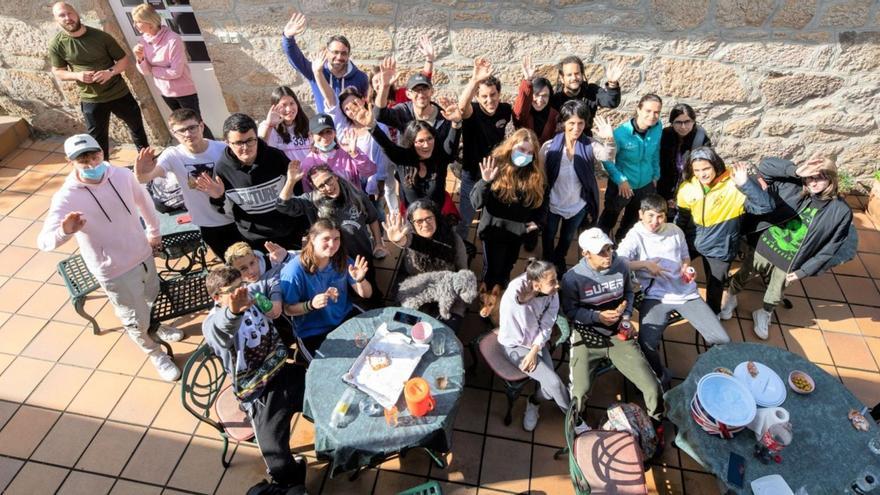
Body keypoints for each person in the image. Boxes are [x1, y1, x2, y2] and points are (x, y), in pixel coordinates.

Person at [37, 134, 182, 381]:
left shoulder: (122, 176)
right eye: (83, 160)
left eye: (95, 156)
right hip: (114, 270)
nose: (92, 164)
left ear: (102, 153)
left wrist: (153, 232)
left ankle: (156, 326)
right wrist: (65, 231)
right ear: (70, 161)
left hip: (143, 254)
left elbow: (144, 202)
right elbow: (44, 242)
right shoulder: (66, 196)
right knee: (134, 318)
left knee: (152, 297)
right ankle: (155, 354)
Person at [723, 156, 854, 339]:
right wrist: (797, 172)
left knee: (775, 293)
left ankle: (764, 313)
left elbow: (831, 248)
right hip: (764, 245)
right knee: (743, 274)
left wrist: (804, 271)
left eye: (820, 178)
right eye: (811, 177)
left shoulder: (841, 212)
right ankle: (731, 297)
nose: (813, 182)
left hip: (789, 260)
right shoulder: (794, 186)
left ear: (831, 179)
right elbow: (766, 166)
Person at [202, 265, 306, 492]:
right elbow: (220, 333)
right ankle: (294, 481)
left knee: (325, 398)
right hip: (258, 392)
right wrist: (234, 311)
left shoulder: (252, 294)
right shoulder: (213, 321)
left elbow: (272, 280)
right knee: (276, 458)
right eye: (233, 290)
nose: (241, 293)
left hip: (283, 370)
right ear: (217, 298)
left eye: (242, 286)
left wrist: (275, 294)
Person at [617, 194, 730, 388]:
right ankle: (660, 374)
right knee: (647, 343)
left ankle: (705, 374)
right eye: (650, 216)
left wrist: (686, 268)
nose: (655, 221)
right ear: (640, 214)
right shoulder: (635, 236)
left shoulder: (675, 231)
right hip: (655, 296)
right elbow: (618, 263)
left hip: (686, 293)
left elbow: (685, 256)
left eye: (660, 216)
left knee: (723, 340)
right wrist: (645, 265)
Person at [561, 228, 664, 423]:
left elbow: (629, 294)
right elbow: (570, 312)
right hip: (586, 335)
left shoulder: (621, 266)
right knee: (579, 393)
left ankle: (656, 425)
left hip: (618, 335)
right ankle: (578, 423)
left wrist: (625, 318)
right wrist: (596, 317)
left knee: (652, 387)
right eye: (601, 252)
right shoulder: (572, 279)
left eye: (609, 249)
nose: (608, 256)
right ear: (586, 254)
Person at [675, 147, 773, 315]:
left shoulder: (733, 185)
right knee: (673, 269)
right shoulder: (687, 187)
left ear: (716, 165)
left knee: (714, 286)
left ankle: (713, 316)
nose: (702, 174)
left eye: (706, 168)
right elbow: (682, 217)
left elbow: (766, 206)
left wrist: (746, 184)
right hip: (694, 240)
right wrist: (675, 240)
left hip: (720, 247)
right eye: (697, 170)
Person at [134, 108, 242, 258]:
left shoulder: (222, 149)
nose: (188, 134)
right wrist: (141, 172)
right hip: (207, 223)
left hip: (235, 218)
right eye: (181, 130)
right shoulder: (173, 154)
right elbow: (146, 177)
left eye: (192, 127)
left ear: (202, 126)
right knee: (230, 264)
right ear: (173, 133)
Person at [49, 2, 149, 158]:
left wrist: (110, 72)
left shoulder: (101, 37)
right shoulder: (57, 44)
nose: (68, 18)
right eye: (62, 15)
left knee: (137, 130)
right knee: (97, 142)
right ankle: (104, 173)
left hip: (119, 93)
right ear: (56, 19)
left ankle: (148, 166)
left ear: (77, 13)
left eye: (70, 13)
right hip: (91, 99)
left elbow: (124, 60)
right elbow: (58, 72)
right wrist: (77, 76)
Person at [500, 260, 589, 432]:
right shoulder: (516, 289)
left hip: (535, 345)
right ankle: (576, 422)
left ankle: (533, 402)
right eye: (552, 282)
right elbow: (516, 304)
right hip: (514, 346)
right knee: (554, 384)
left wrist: (534, 350)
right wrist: (525, 299)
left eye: (556, 279)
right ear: (536, 284)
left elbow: (547, 325)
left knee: (549, 390)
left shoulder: (552, 295)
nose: (558, 285)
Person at [277, 164, 385, 301]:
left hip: (360, 254)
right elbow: (282, 205)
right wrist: (291, 181)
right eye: (321, 186)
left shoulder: (356, 195)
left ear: (335, 176)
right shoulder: (311, 201)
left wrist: (379, 243)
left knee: (370, 289)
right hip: (334, 260)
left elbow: (373, 219)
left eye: (328, 180)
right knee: (345, 295)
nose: (327, 187)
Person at [197, 113, 303, 250]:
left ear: (257, 138)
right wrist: (219, 197)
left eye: (250, 140)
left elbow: (298, 192)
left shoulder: (276, 157)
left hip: (291, 232)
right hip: (256, 241)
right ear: (227, 143)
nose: (245, 147)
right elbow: (226, 211)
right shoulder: (222, 169)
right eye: (238, 143)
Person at [310, 49, 394, 217]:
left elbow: (383, 158)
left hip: (373, 185)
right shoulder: (343, 128)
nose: (351, 110)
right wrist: (318, 72)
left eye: (354, 103)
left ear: (363, 100)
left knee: (376, 217)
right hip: (348, 187)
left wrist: (380, 183)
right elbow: (330, 100)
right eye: (346, 108)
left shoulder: (377, 126)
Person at [539, 101, 616, 275]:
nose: (576, 128)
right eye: (571, 123)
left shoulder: (589, 145)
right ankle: (547, 261)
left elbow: (607, 156)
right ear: (563, 123)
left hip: (577, 206)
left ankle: (559, 259)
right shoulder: (549, 147)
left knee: (566, 238)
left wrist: (609, 139)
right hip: (553, 204)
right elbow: (542, 177)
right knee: (548, 235)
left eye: (580, 123)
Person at [279, 220, 372, 354]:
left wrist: (360, 280)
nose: (332, 244)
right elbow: (287, 309)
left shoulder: (341, 259)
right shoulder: (293, 272)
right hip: (313, 331)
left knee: (375, 347)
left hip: (344, 316)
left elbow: (367, 294)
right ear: (312, 239)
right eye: (326, 239)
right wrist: (310, 305)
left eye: (336, 239)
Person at [470, 129, 545, 289]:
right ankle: (488, 299)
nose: (525, 155)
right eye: (521, 149)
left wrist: (537, 223)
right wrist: (485, 182)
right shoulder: (493, 167)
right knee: (492, 270)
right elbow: (476, 203)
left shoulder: (535, 175)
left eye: (530, 152)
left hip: (517, 233)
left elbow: (542, 202)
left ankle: (501, 292)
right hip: (494, 233)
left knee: (507, 267)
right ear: (511, 147)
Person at [130, 3, 214, 139]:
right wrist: (140, 58)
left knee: (196, 124)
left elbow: (176, 72)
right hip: (165, 92)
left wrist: (154, 69)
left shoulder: (173, 39)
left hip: (184, 92)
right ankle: (194, 150)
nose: (135, 25)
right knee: (181, 125)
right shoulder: (144, 40)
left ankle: (213, 148)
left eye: (137, 21)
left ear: (149, 22)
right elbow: (145, 71)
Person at [383, 201, 469, 330]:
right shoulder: (412, 240)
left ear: (437, 218)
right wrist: (398, 241)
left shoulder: (454, 240)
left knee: (442, 335)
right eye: (419, 221)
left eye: (429, 218)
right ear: (412, 224)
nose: (425, 224)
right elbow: (407, 241)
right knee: (404, 329)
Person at [455, 57, 514, 241]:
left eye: (493, 94)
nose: (490, 100)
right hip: (472, 173)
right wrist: (474, 80)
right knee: (466, 216)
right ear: (477, 97)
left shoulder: (505, 110)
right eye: (484, 96)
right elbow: (461, 108)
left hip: (495, 171)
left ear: (499, 93)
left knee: (492, 211)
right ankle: (462, 246)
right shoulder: (472, 112)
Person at [367, 99, 463, 210]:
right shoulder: (403, 159)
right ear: (411, 143)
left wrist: (456, 122)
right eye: (420, 141)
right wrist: (372, 126)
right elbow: (386, 144)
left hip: (437, 217)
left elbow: (452, 143)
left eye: (429, 139)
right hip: (411, 218)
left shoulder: (440, 157)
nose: (426, 145)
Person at [598, 93, 664, 241]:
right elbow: (607, 160)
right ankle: (599, 244)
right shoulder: (621, 134)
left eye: (656, 112)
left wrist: (655, 175)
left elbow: (656, 152)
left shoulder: (658, 128)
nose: (652, 116)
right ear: (639, 110)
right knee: (610, 216)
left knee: (632, 220)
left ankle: (621, 243)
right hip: (623, 185)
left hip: (645, 185)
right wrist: (620, 180)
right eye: (648, 111)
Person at [281, 11, 368, 113]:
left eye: (343, 53)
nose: (339, 57)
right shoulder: (316, 71)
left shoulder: (361, 78)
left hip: (350, 128)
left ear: (348, 55)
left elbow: (366, 105)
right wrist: (288, 38)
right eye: (335, 52)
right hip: (324, 127)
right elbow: (296, 58)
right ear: (327, 52)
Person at [299, 113, 376, 193]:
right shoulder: (307, 164)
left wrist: (354, 154)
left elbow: (370, 172)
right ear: (311, 136)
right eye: (320, 133)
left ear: (335, 133)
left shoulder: (348, 151)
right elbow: (309, 194)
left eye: (328, 132)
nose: (325, 136)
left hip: (354, 202)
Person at [657, 103, 711, 213]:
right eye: (678, 122)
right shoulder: (664, 136)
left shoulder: (700, 138)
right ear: (672, 122)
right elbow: (659, 165)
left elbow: (707, 167)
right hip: (664, 190)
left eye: (687, 122)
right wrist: (667, 196)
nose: (683, 126)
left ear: (693, 121)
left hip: (689, 190)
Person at [549, 56, 623, 133]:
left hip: (586, 141)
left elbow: (611, 102)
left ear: (582, 74)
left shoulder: (591, 91)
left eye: (577, 73)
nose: (574, 78)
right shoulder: (555, 99)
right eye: (569, 75)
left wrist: (612, 83)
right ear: (562, 78)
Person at [257, 86, 311, 162]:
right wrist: (270, 126)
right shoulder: (266, 126)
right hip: (285, 172)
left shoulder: (306, 124)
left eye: (292, 103)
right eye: (284, 105)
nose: (289, 109)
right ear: (275, 107)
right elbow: (260, 149)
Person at [513, 55, 558, 144]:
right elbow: (520, 110)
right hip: (524, 154)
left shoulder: (554, 115)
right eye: (536, 95)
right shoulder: (525, 114)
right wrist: (527, 81)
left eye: (545, 96)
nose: (540, 99)